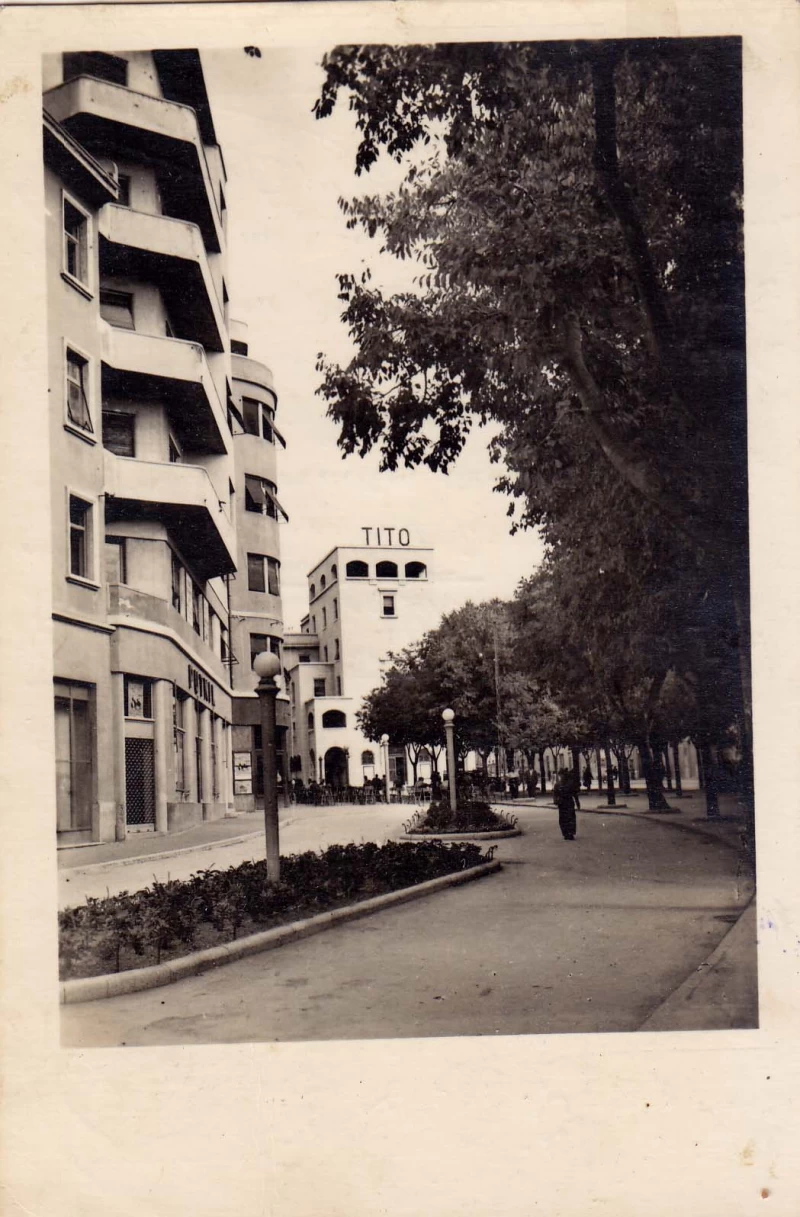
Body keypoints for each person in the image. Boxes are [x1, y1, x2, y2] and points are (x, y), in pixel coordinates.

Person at [553, 767, 577, 840]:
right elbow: (555, 794)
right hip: (562, 803)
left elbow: (574, 793)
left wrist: (577, 802)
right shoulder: (557, 784)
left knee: (570, 818)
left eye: (562, 775)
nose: (561, 776)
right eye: (560, 775)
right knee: (563, 818)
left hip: (569, 802)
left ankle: (571, 832)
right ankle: (565, 833)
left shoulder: (570, 783)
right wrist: (555, 801)